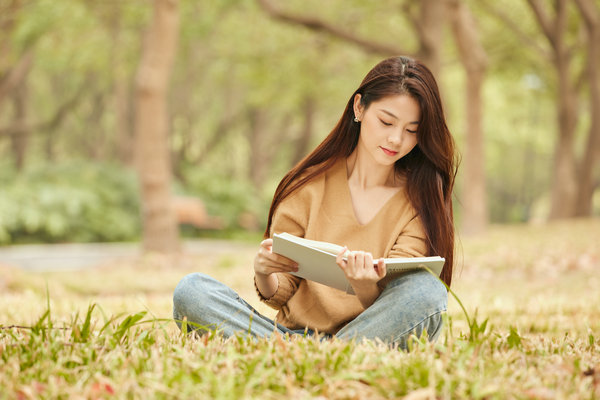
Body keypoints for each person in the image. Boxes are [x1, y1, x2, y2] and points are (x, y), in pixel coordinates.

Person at [173, 55, 457, 348]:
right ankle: (318, 356)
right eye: (386, 121)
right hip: (292, 337)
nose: (396, 139)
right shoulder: (307, 185)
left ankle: (312, 356)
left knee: (427, 292)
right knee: (192, 290)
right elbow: (281, 290)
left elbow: (401, 303)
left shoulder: (419, 200)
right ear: (359, 107)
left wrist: (364, 285)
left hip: (371, 333)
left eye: (412, 130)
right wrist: (263, 272)